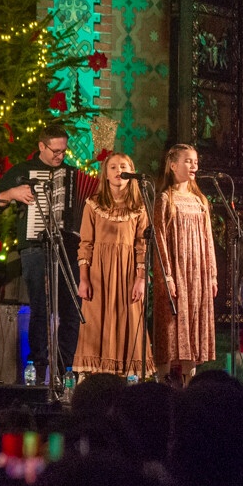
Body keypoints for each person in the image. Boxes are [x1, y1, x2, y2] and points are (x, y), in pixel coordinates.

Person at [0, 123, 83, 381]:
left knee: (71, 308)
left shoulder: (72, 174)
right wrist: (13, 193)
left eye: (63, 151)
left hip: (67, 249)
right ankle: (39, 366)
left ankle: (65, 369)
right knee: (40, 307)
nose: (60, 156)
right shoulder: (22, 171)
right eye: (55, 150)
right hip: (34, 247)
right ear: (41, 146)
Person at [73, 152, 155, 377]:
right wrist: (84, 278)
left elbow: (142, 245)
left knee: (128, 318)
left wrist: (140, 278)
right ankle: (94, 377)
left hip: (128, 272)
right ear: (105, 174)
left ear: (131, 173)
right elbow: (86, 243)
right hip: (99, 273)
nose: (119, 171)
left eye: (124, 166)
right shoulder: (94, 204)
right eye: (113, 167)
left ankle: (125, 375)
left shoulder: (139, 206)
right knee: (96, 320)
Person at [152, 144, 217, 385]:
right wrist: (166, 276)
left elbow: (208, 239)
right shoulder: (165, 198)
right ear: (173, 165)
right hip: (176, 272)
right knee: (171, 324)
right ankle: (162, 380)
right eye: (188, 161)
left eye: (196, 161)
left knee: (192, 323)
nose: (194, 165)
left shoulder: (200, 200)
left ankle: (190, 382)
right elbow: (159, 240)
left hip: (197, 273)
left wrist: (212, 276)